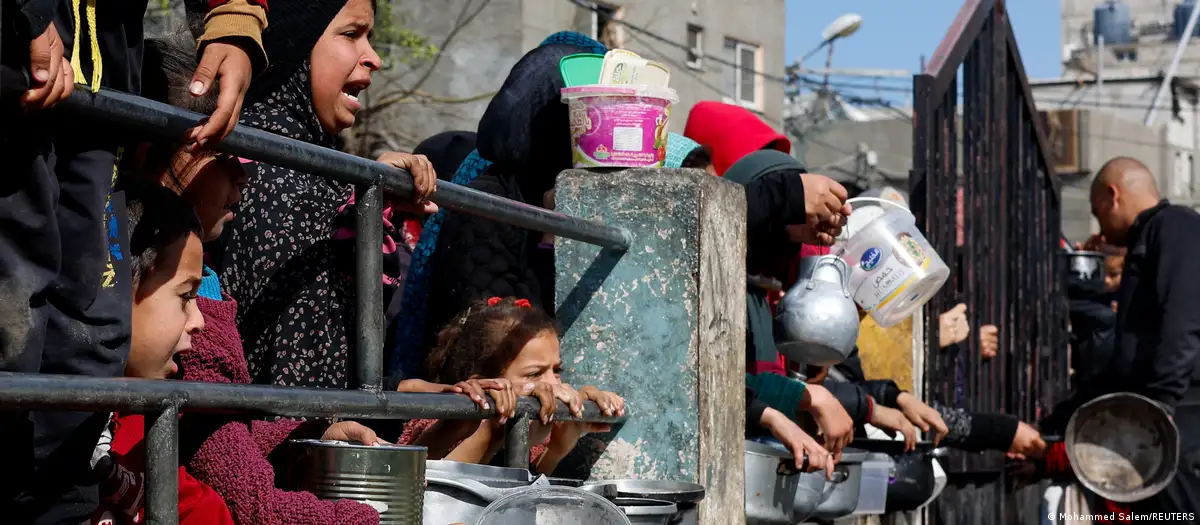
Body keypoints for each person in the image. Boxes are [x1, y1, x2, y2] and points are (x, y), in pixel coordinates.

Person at [1, 1, 265, 521]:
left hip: (104, 78)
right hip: (27, 66)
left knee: (90, 331)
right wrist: (26, 11)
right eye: (186, 296)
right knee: (14, 319)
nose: (246, 180)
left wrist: (235, 17)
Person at [217, 0, 439, 390]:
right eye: (351, 34)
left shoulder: (323, 170)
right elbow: (293, 381)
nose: (374, 58)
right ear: (293, 44)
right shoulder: (262, 175)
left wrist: (369, 202)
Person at [389, 31, 609, 380]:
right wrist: (549, 241)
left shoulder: (554, 196)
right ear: (553, 118)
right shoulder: (489, 205)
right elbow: (497, 346)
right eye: (590, 112)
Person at [1046, 156, 1200, 514]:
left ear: (1111, 196)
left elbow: (1183, 318)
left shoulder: (1175, 225)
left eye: (1097, 212)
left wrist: (1161, 405)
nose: (1099, 227)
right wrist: (1062, 419)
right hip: (1157, 426)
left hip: (1182, 419)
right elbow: (1127, 356)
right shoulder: (1151, 237)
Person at [87, 180, 232, 525]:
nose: (199, 321)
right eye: (185, 296)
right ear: (116, 291)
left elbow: (202, 512)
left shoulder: (145, 426)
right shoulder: (44, 427)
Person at [400, 297, 626, 476]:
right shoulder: (439, 423)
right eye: (535, 374)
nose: (552, 384)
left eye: (556, 370)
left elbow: (527, 490)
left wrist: (563, 439)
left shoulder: (536, 428)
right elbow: (424, 491)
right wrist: (496, 430)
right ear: (484, 382)